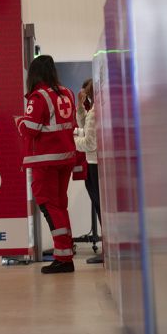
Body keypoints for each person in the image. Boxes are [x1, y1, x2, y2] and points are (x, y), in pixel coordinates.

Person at [15, 55, 77, 274]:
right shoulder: (67, 93)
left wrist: (19, 121)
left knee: (50, 206)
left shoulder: (39, 96)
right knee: (60, 206)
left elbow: (31, 128)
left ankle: (63, 257)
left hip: (46, 161)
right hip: (66, 158)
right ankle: (65, 254)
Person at [75, 78, 103, 264]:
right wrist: (80, 107)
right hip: (96, 163)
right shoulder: (95, 110)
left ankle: (106, 249)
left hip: (94, 164)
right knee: (101, 207)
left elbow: (90, 143)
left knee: (101, 207)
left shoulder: (95, 112)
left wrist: (73, 139)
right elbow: (85, 124)